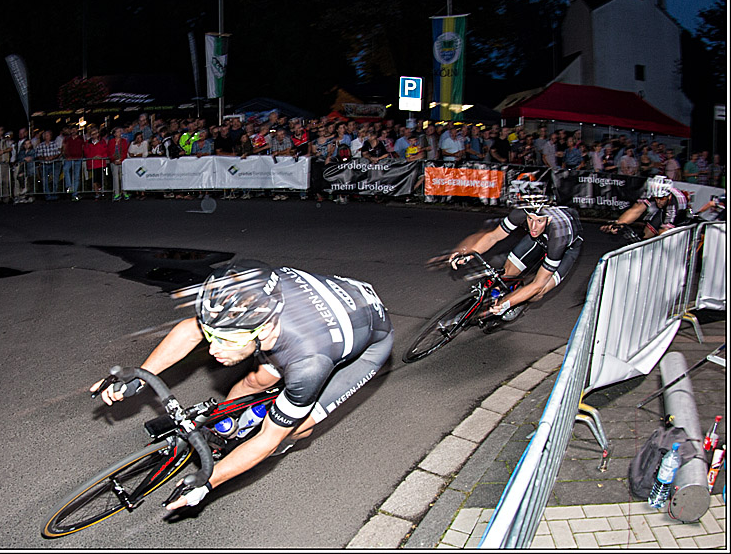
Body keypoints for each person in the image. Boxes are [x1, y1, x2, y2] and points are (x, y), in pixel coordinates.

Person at [92, 259, 393, 510]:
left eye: (227, 340)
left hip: (365, 341)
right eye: (213, 335)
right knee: (254, 380)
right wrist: (138, 377)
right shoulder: (247, 302)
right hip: (321, 302)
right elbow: (191, 331)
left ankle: (267, 425)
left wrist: (210, 481)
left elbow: (268, 440)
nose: (214, 350)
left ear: (264, 327)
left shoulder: (309, 361)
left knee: (297, 427)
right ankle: (227, 425)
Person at [446, 193, 583, 320]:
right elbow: (493, 237)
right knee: (507, 273)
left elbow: (538, 285)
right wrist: (469, 254)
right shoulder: (520, 214)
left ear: (549, 219)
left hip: (566, 248)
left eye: (539, 221)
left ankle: (517, 303)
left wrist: (507, 304)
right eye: (530, 219)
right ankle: (496, 296)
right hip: (538, 239)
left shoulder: (558, 236)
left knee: (538, 292)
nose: (533, 226)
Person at [601, 174, 691, 239]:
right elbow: (636, 210)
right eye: (656, 198)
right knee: (645, 237)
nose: (658, 201)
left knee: (664, 242)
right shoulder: (651, 191)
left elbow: (664, 234)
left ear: (668, 195)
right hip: (663, 212)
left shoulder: (675, 202)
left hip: (678, 216)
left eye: (662, 198)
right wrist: (618, 224)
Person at [107, 126, 130, 201]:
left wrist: (121, 159)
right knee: (115, 177)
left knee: (123, 177)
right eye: (118, 132)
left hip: (122, 161)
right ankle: (117, 193)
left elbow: (125, 151)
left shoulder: (123, 141)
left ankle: (124, 192)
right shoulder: (111, 141)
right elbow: (109, 152)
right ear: (114, 134)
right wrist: (114, 160)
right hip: (114, 161)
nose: (120, 133)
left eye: (120, 131)